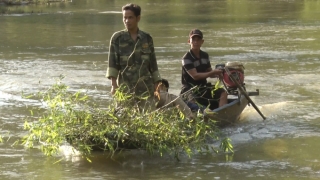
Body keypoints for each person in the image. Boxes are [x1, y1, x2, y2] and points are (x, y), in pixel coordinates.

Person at [106, 3, 161, 109]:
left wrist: (157, 84)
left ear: (138, 18)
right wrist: (114, 85)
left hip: (146, 89)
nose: (127, 21)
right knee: (124, 120)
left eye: (130, 17)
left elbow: (153, 63)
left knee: (147, 119)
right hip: (125, 89)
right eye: (125, 17)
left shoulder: (147, 38)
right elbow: (112, 63)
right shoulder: (117, 38)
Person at [180, 29, 228, 112]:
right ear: (189, 41)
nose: (195, 42)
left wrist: (218, 73)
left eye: (198, 40)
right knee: (194, 103)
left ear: (202, 42)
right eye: (193, 40)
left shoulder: (205, 55)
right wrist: (212, 72)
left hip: (203, 87)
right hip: (189, 89)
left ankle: (221, 114)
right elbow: (195, 76)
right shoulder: (186, 58)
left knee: (222, 93)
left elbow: (209, 72)